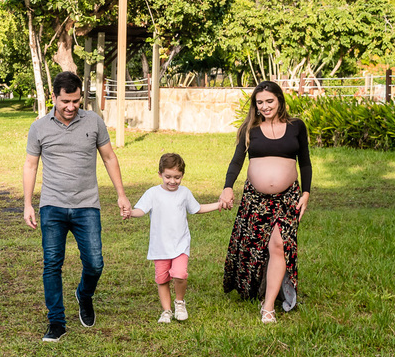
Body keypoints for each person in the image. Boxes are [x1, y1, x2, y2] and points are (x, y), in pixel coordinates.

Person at [23, 71, 131, 342]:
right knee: (52, 264)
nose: (71, 107)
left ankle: (84, 294)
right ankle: (56, 322)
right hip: (52, 206)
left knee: (95, 263)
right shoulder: (39, 128)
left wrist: (121, 195)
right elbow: (30, 165)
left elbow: (109, 158)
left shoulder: (93, 121)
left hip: (87, 205)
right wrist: (27, 204)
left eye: (76, 101)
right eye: (65, 101)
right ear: (54, 97)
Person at [218, 81, 311, 324]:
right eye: (260, 102)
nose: (265, 106)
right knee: (255, 247)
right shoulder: (249, 128)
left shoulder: (296, 126)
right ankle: (258, 287)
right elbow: (237, 161)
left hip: (288, 197)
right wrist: (228, 187)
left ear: (279, 100)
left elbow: (305, 161)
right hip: (255, 198)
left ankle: (268, 306)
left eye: (269, 101)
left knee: (279, 245)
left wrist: (306, 193)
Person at [126, 153, 222, 323]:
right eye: (168, 177)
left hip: (180, 244)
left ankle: (179, 302)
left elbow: (197, 208)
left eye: (177, 177)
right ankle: (166, 311)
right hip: (160, 246)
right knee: (162, 279)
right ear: (160, 174)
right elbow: (141, 210)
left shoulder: (184, 193)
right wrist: (130, 213)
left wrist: (218, 205)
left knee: (180, 274)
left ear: (182, 175)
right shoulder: (152, 193)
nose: (172, 181)